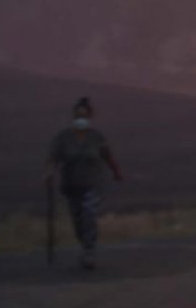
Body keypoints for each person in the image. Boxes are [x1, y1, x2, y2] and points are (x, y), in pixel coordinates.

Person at [44, 97, 123, 270]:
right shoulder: (63, 137)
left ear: (89, 117)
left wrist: (116, 172)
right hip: (71, 185)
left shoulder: (96, 137)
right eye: (78, 116)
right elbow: (53, 157)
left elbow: (107, 156)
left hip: (92, 183)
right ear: (74, 117)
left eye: (84, 116)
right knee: (78, 219)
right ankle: (85, 245)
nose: (81, 119)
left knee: (89, 214)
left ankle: (89, 251)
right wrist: (49, 171)